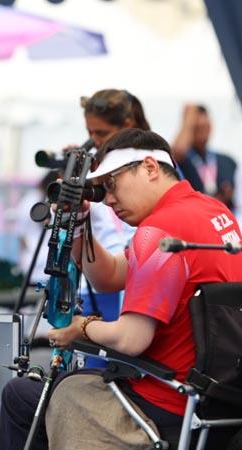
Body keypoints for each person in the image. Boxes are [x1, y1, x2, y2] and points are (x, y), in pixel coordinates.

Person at [0, 129, 242, 450]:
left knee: (24, 396)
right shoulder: (214, 213)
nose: (110, 199)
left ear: (150, 167)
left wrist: (81, 328)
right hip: (222, 402)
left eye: (113, 183)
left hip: (166, 404)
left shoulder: (159, 231)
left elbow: (131, 339)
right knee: (78, 387)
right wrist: (82, 227)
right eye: (100, 189)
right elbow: (111, 276)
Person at [77, 89, 152, 325]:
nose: (95, 140)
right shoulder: (87, 163)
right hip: (95, 282)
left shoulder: (155, 163)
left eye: (102, 132)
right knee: (93, 361)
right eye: (89, 132)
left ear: (127, 125)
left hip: (139, 276)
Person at [172, 104, 237, 210]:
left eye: (205, 126)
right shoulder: (183, 161)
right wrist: (189, 120)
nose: (202, 132)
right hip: (195, 217)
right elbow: (177, 152)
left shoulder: (227, 161)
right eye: (197, 128)